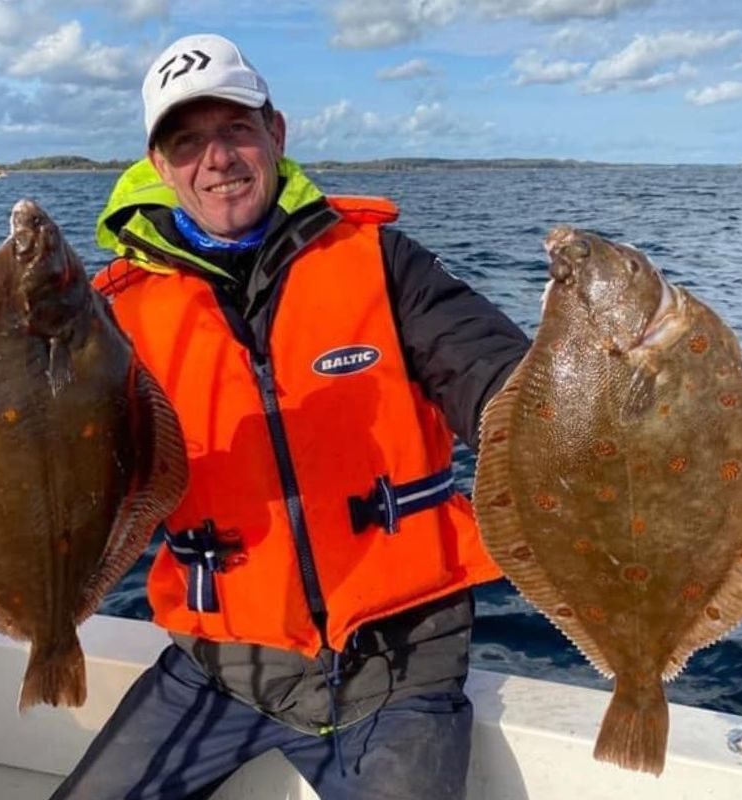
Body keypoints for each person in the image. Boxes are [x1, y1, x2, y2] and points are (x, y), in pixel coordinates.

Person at [51, 32, 530, 800]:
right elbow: (72, 474)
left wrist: (573, 412)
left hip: (402, 662)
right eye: (187, 141)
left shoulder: (381, 260)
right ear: (158, 166)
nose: (217, 158)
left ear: (275, 133)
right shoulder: (115, 317)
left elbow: (495, 379)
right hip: (219, 664)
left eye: (235, 128)